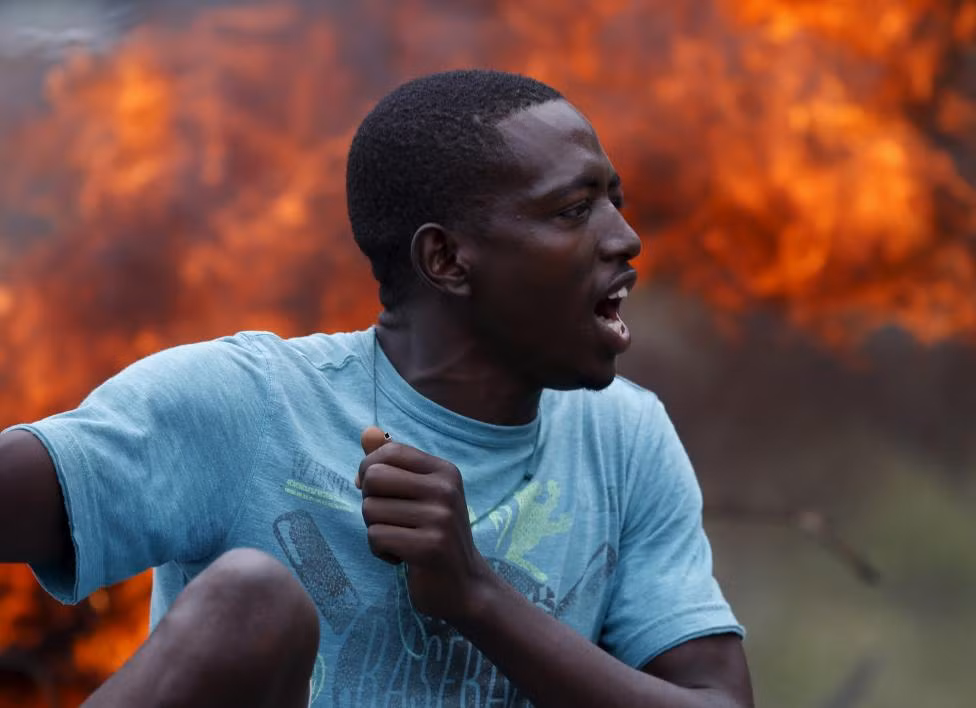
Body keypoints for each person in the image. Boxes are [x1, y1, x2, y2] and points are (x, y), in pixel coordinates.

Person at [0, 69, 753, 707]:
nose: (624, 238)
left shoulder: (625, 438)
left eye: (614, 200)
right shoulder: (246, 403)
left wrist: (476, 596)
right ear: (448, 259)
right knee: (250, 602)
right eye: (573, 209)